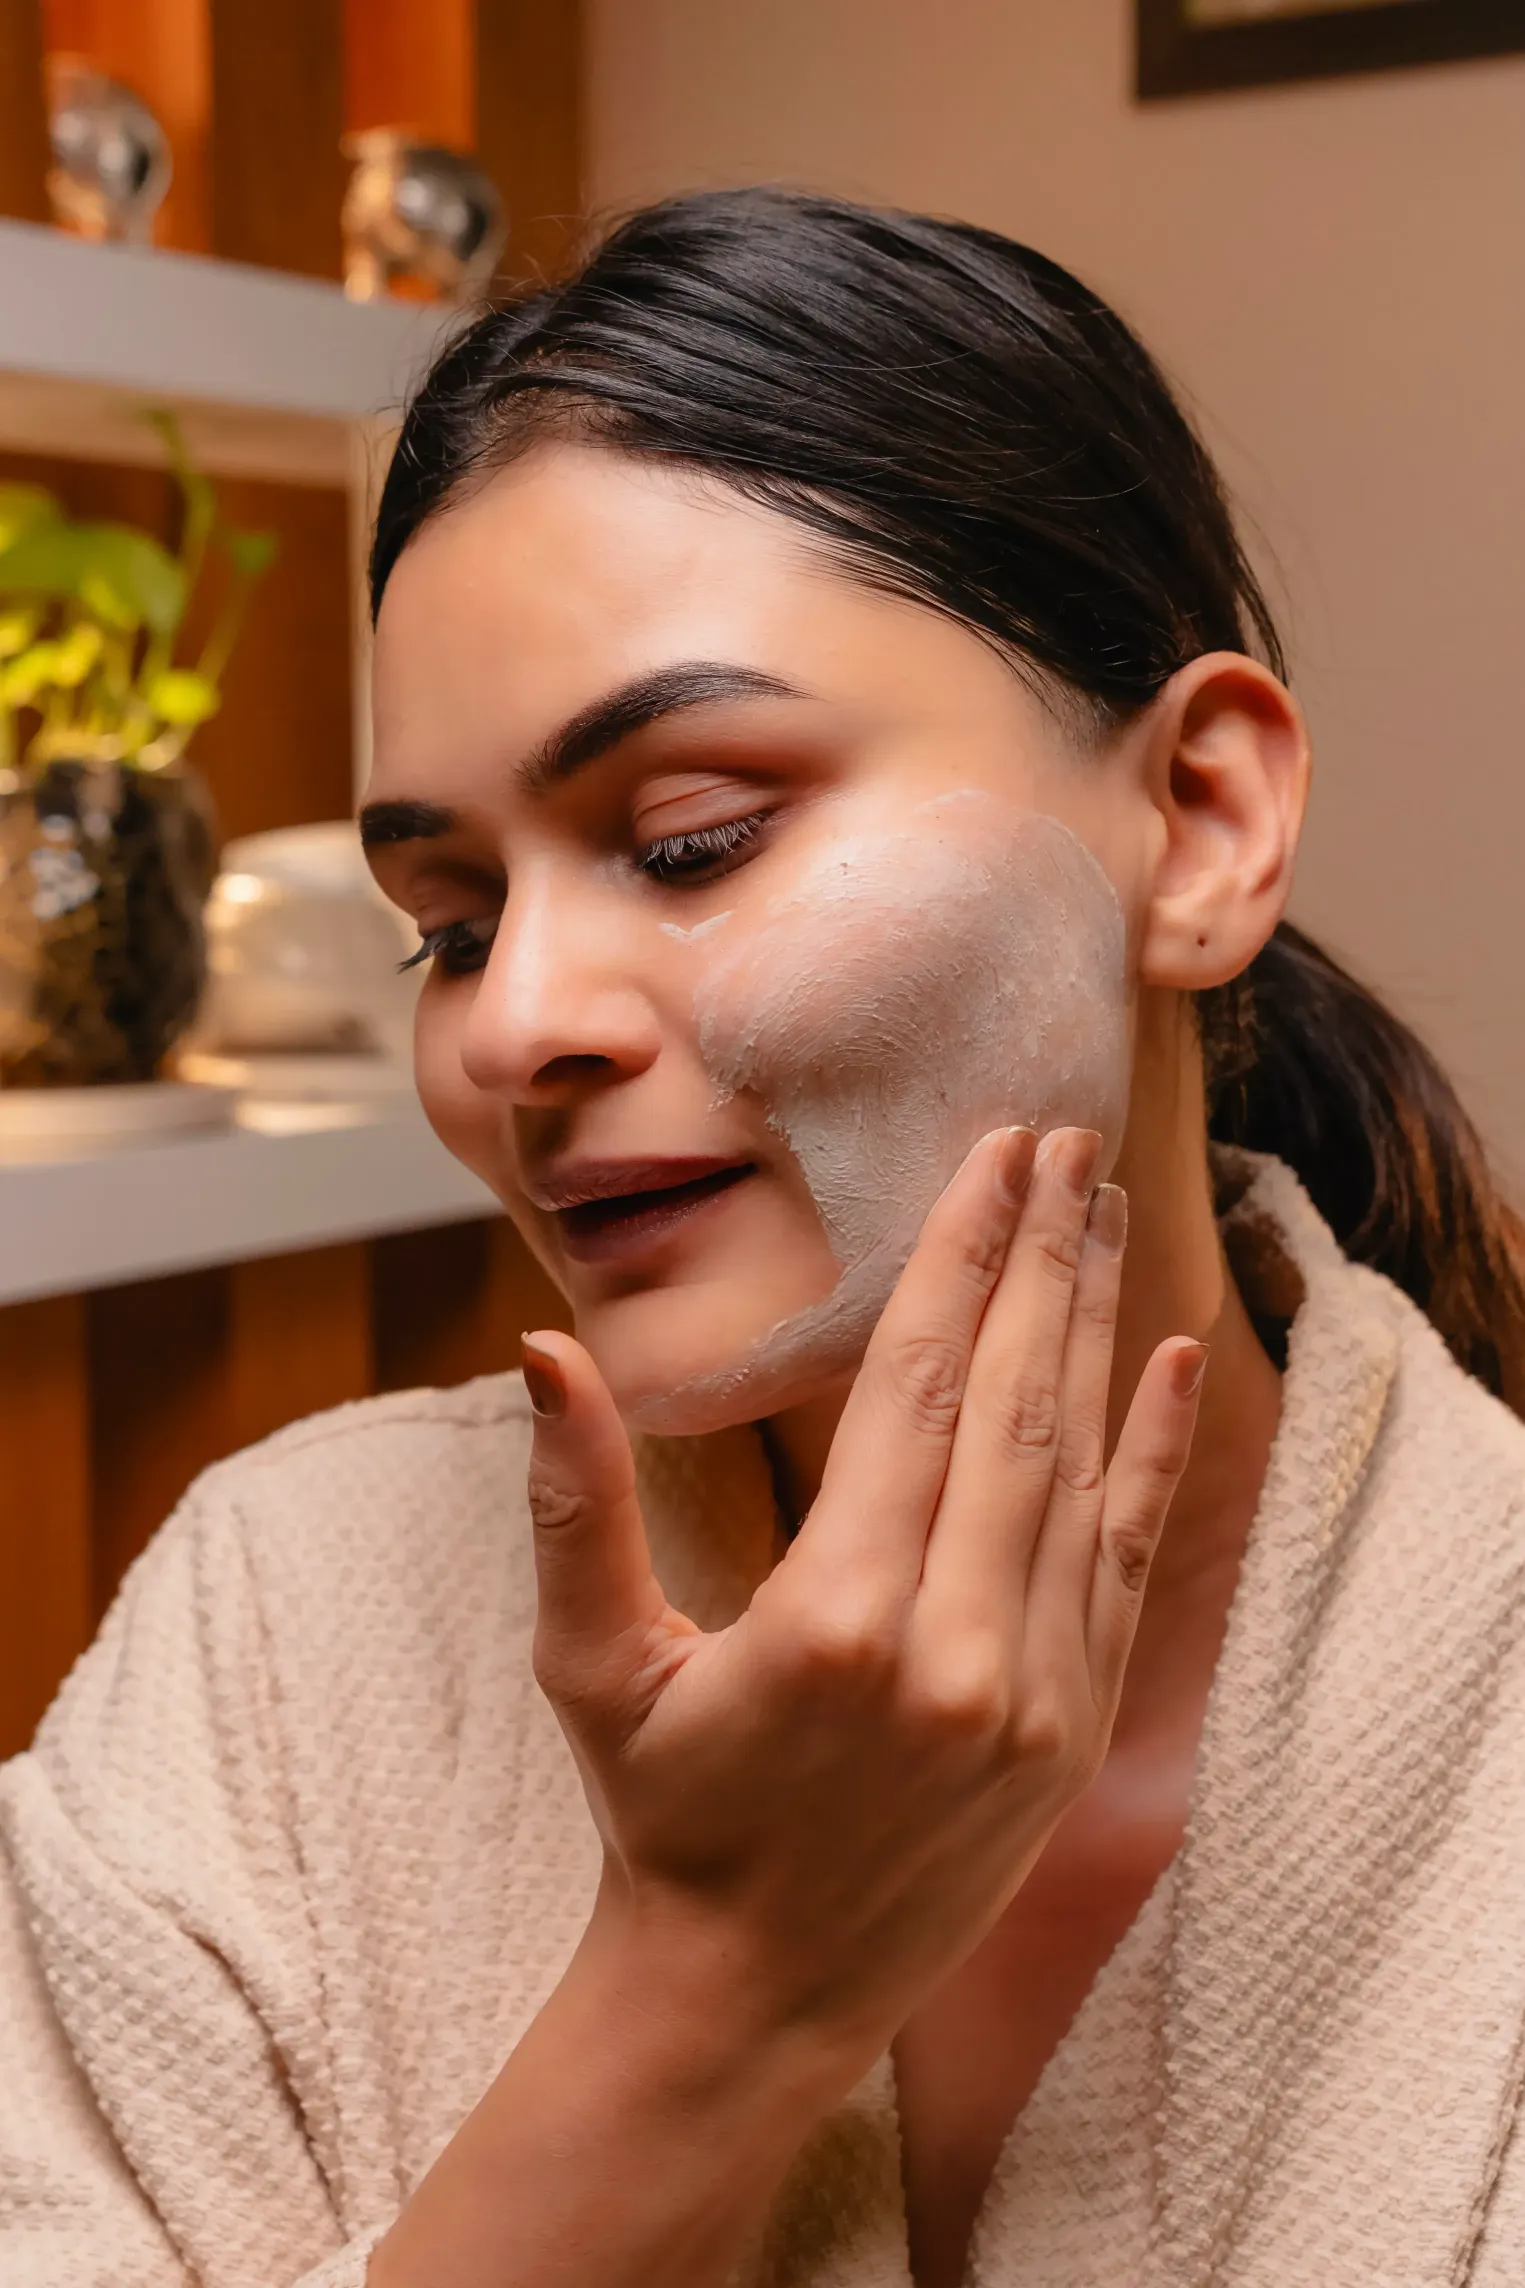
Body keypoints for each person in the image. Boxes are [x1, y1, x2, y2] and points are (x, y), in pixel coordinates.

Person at [3, 189, 1524, 2288]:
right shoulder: (274, 1643)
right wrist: (710, 1999)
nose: (515, 1024)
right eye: (450, 927)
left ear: (1198, 823)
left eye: (693, 837)